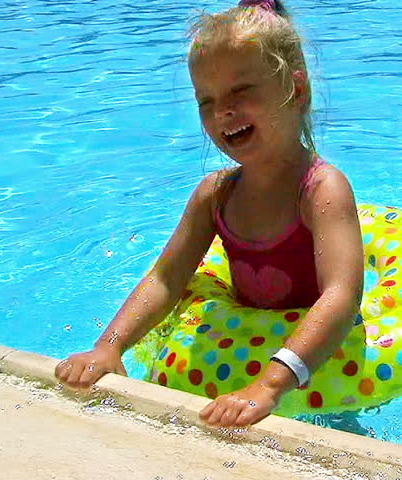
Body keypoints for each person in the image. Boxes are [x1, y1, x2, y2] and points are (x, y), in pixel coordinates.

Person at [55, 0, 364, 429]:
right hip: (237, 349)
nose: (223, 112)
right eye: (206, 101)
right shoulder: (214, 196)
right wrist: (109, 346)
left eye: (241, 92)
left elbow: (341, 296)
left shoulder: (321, 190)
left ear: (297, 90)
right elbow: (165, 277)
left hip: (319, 372)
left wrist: (270, 384)